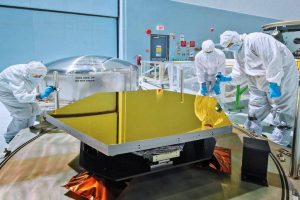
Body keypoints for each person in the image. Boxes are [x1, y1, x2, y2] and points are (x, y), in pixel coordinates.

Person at [216, 31, 298, 146]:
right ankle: (252, 129)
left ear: (235, 39)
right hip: (256, 77)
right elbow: (239, 72)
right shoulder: (239, 52)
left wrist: (274, 82)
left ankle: (280, 139)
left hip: (281, 74)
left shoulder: (256, 39)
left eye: (230, 45)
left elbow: (273, 58)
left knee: (281, 104)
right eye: (227, 47)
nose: (230, 48)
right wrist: (227, 78)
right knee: (256, 103)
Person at [0, 61, 56, 144]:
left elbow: (27, 88)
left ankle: (27, 133)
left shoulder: (35, 72)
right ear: (28, 73)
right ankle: (11, 137)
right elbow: (21, 97)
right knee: (22, 113)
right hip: (6, 93)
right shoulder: (16, 75)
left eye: (40, 76)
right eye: (35, 76)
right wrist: (39, 96)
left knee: (34, 109)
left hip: (20, 91)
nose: (38, 77)